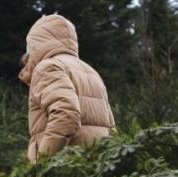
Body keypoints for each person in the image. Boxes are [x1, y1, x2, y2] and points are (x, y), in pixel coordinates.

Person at [19, 14, 115, 163]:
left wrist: (43, 165)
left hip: (66, 170)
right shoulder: (91, 72)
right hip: (96, 169)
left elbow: (66, 115)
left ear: (36, 44)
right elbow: (111, 128)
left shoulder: (48, 67)